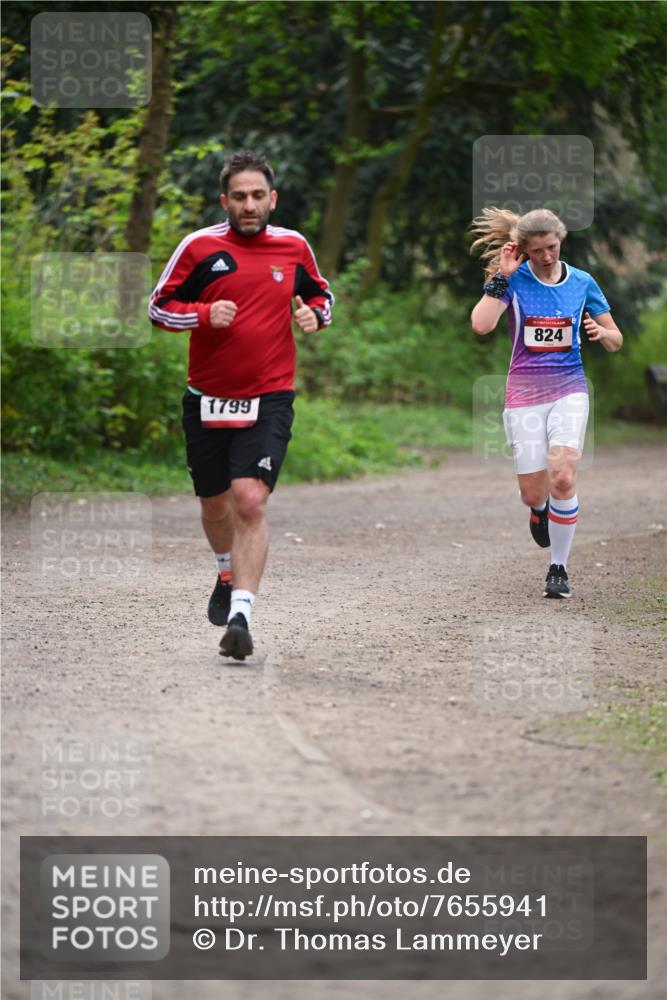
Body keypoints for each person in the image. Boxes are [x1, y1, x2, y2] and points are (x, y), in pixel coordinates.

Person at [149, 149, 333, 658]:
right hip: (206, 397)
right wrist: (204, 314)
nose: (249, 205)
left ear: (272, 199)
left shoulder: (293, 246)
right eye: (239, 197)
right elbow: (158, 307)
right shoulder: (198, 247)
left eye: (258, 196)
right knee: (214, 503)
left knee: (249, 499)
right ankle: (224, 573)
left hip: (269, 394)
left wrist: (317, 316)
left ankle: (241, 616)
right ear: (224, 200)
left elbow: (322, 296)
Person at [470, 207, 623, 598]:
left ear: (561, 241)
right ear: (523, 250)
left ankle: (559, 568)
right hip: (523, 394)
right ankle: (539, 512)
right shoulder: (513, 280)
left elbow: (616, 338)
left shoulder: (583, 281)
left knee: (564, 476)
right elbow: (481, 325)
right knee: (533, 493)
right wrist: (502, 278)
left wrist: (601, 332)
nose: (547, 257)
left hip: (569, 387)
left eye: (552, 247)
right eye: (537, 251)